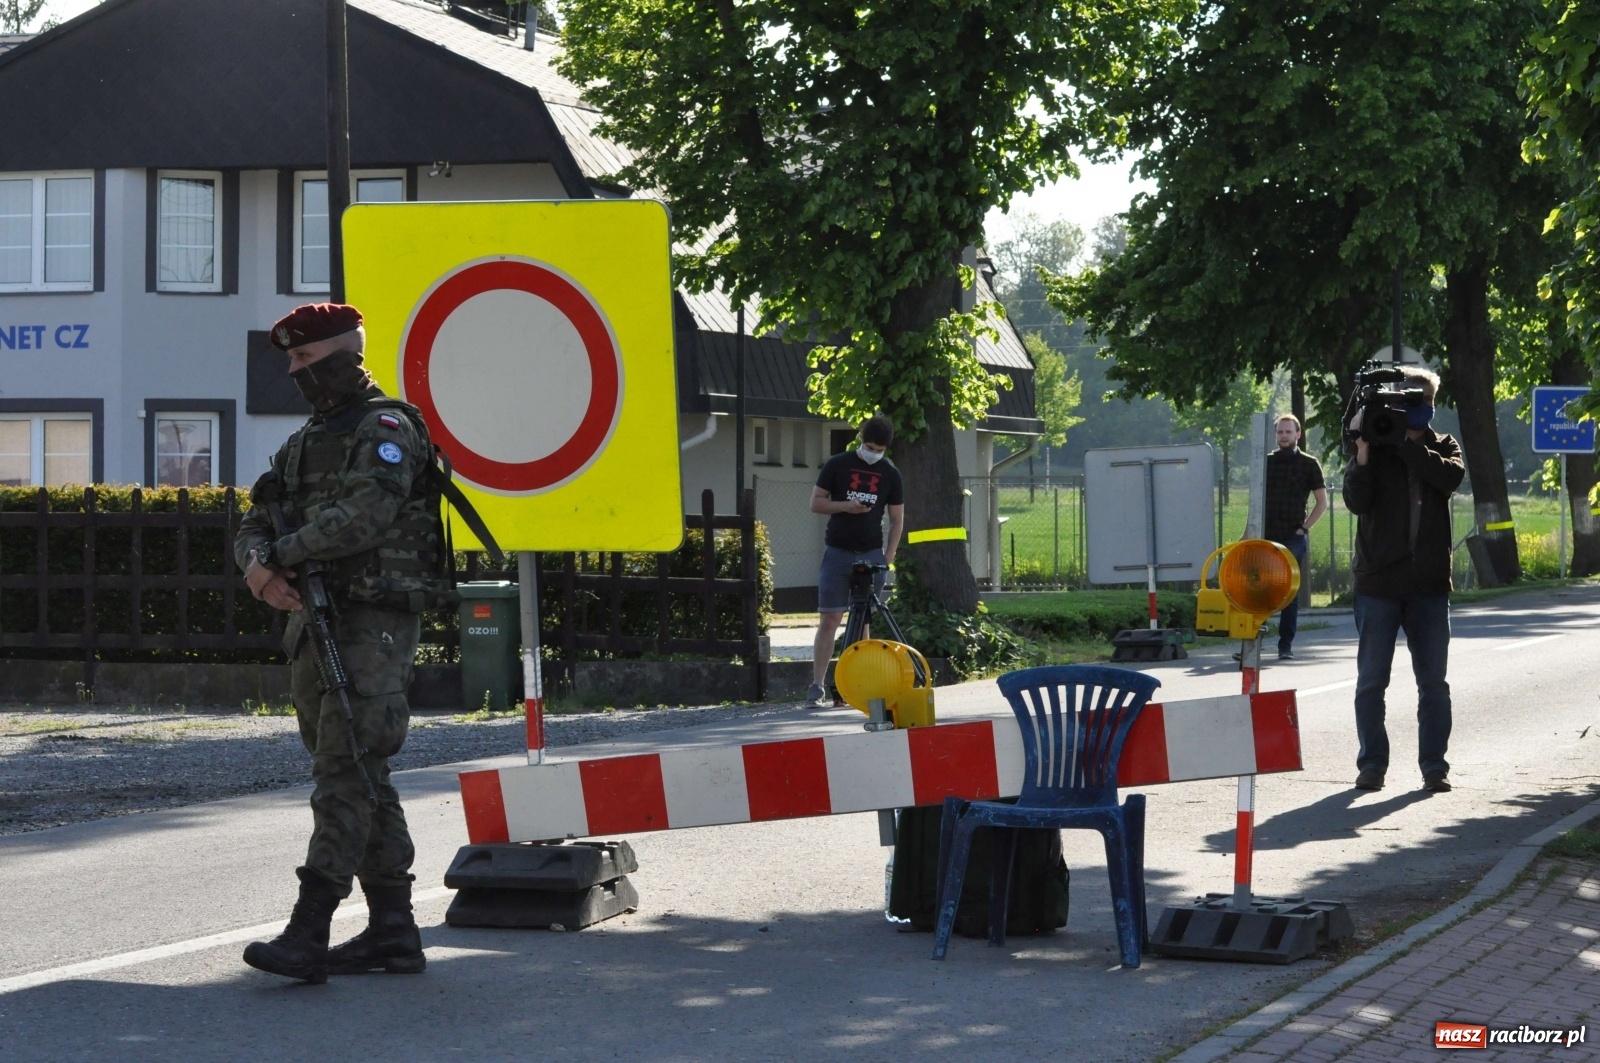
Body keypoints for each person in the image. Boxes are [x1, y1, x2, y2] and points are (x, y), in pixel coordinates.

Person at [235, 303, 454, 983]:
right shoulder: (302, 443)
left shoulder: (386, 427)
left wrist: (284, 555)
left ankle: (310, 926)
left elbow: (365, 514)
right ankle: (394, 929)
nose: (297, 374)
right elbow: (257, 514)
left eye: (305, 360)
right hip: (315, 623)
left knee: (346, 772)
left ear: (344, 355)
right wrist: (256, 566)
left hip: (373, 623)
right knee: (361, 774)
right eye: (292, 363)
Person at [1343, 365, 1465, 794]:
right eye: (1405, 402)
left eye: (1420, 403)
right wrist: (1363, 450)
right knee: (1371, 682)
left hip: (1429, 585)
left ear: (1431, 406)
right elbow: (1357, 502)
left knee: (1433, 683)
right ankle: (1371, 765)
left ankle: (1434, 767)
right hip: (1379, 583)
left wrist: (1408, 443)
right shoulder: (1376, 446)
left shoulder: (1445, 447)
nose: (1413, 411)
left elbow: (1448, 479)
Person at [807, 414, 905, 706]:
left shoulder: (890, 473)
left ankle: (856, 685)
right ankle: (817, 685)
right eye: (871, 447)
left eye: (880, 450)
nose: (874, 454)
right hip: (837, 551)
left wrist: (888, 556)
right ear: (862, 440)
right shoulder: (838, 464)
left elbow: (897, 518)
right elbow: (815, 503)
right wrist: (846, 507)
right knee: (830, 618)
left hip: (871, 553)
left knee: (862, 620)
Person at [1264, 414, 1328, 659]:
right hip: (1266, 534)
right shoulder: (1265, 462)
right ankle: (1250, 643)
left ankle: (1285, 646)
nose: (1283, 436)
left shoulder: (1309, 463)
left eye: (1288, 432)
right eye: (1280, 432)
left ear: (1298, 434)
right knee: (1257, 587)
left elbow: (1322, 502)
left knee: (1288, 591)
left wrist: (1304, 528)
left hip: (1293, 536)